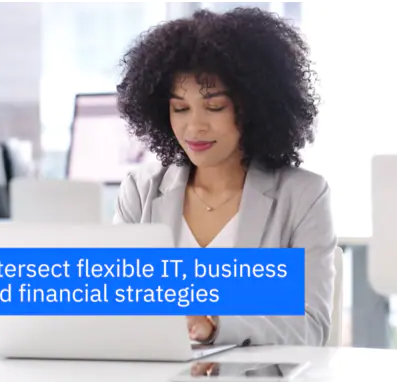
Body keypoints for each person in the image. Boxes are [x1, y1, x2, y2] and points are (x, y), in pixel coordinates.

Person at [112, 7, 337, 347]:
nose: (195, 126)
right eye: (180, 108)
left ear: (252, 107)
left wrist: (215, 323)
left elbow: (311, 327)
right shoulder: (140, 191)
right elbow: (117, 306)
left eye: (214, 107)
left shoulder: (304, 196)